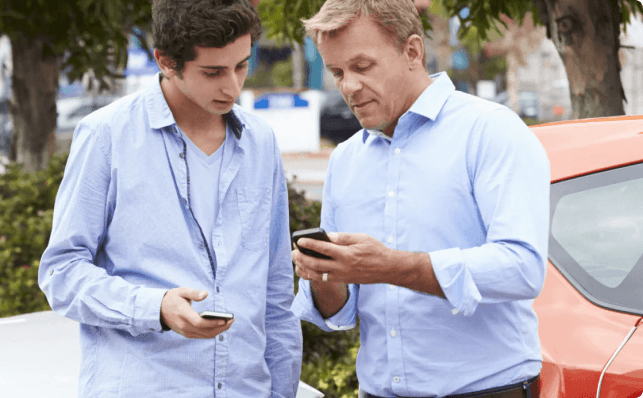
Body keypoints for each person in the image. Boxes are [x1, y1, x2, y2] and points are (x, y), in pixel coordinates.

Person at [38, 0, 302, 397]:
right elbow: (61, 273)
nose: (232, 86)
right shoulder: (106, 135)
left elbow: (276, 293)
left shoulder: (261, 142)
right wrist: (155, 307)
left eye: (242, 65)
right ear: (166, 61)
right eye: (213, 72)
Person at [290, 0, 550, 397]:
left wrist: (391, 267)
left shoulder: (491, 131)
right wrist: (325, 272)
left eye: (362, 67)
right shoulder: (345, 160)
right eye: (337, 72)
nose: (348, 86)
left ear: (412, 51)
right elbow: (339, 315)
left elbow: (522, 268)